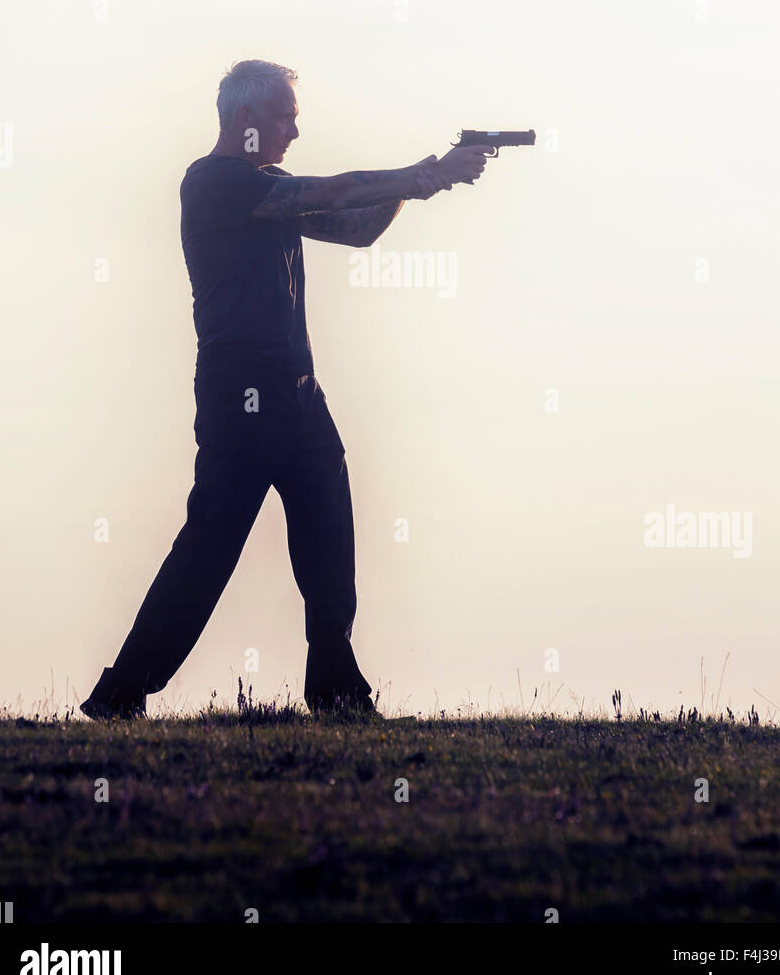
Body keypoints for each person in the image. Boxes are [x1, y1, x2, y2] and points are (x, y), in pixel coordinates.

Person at [80, 59, 490, 721]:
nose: (294, 132)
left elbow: (353, 225)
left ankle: (335, 693)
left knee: (329, 539)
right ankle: (120, 694)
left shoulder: (266, 188)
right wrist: (421, 174)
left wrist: (424, 184)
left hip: (298, 391)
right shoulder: (215, 181)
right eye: (284, 118)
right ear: (245, 120)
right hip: (241, 394)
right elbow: (327, 191)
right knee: (210, 548)